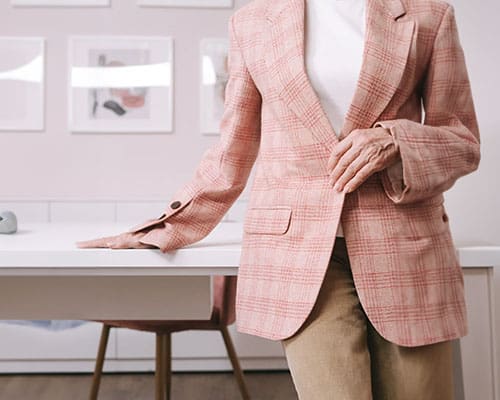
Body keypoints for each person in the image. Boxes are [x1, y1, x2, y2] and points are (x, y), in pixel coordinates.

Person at [77, 0, 481, 398]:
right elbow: (231, 155)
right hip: (300, 257)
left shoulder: (430, 14)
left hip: (406, 249)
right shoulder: (253, 23)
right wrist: (163, 228)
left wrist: (394, 141)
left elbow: (463, 141)